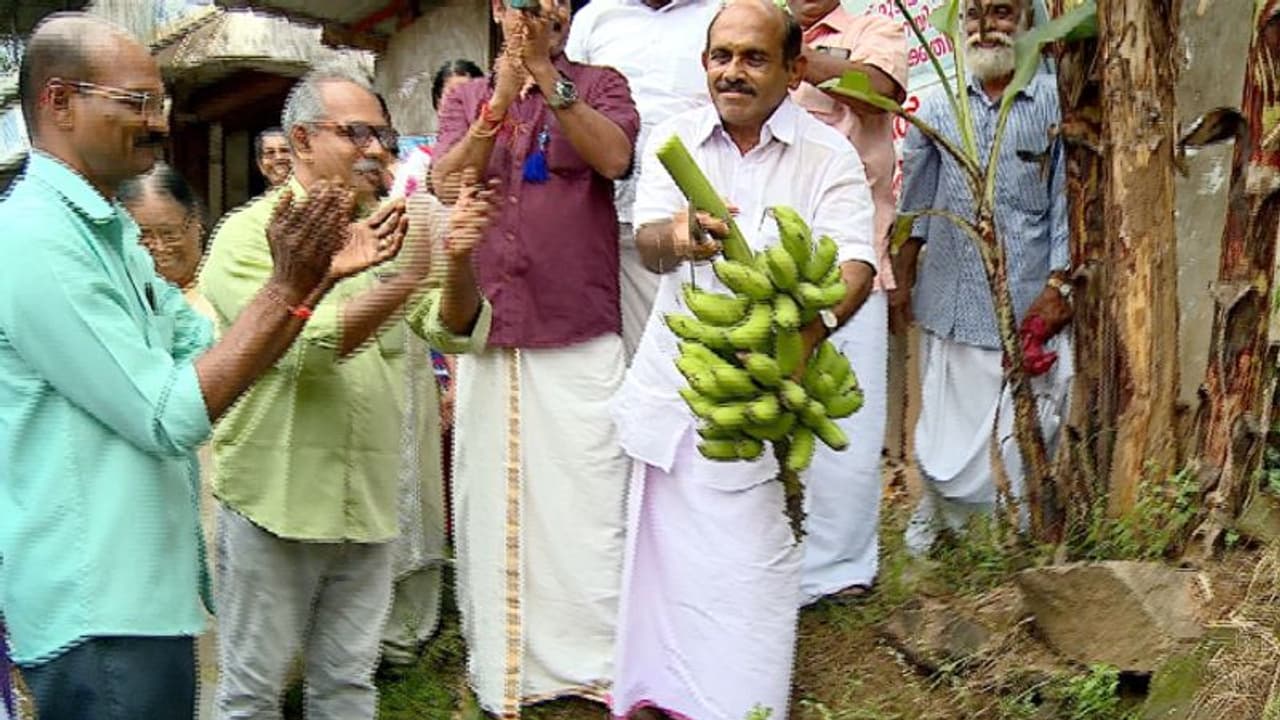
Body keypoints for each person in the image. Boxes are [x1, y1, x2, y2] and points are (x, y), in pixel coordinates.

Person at [0, 14, 399, 720]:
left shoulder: (110, 232)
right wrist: (288, 287)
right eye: (138, 103)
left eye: (162, 104)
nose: (159, 124)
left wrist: (306, 287)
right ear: (59, 102)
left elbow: (205, 345)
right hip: (97, 606)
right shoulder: (36, 238)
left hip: (144, 598)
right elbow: (170, 414)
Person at [199, 66, 494, 719]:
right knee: (251, 693)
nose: (376, 150)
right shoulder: (248, 235)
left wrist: (458, 260)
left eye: (383, 136)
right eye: (357, 133)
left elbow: (453, 329)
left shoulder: (391, 230)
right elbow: (305, 347)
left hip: (367, 502)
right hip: (275, 504)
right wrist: (408, 277)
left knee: (348, 687)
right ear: (302, 141)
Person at [610, 2, 877, 718]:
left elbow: (856, 263)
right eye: (721, 56)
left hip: (764, 400)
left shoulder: (827, 155)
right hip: (681, 381)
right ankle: (663, 695)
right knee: (669, 568)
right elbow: (647, 245)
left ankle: (741, 702)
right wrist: (679, 236)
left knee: (750, 567)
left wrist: (803, 340)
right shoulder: (674, 142)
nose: (733, 72)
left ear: (794, 69)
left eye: (754, 58)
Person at [431, 0, 640, 714]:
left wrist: (548, 76)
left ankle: (596, 668)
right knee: (493, 507)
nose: (540, 8)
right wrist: (497, 100)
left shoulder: (602, 83)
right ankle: (508, 673)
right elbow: (446, 182)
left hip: (580, 330)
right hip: (493, 331)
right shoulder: (466, 97)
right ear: (498, 10)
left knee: (591, 506)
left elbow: (614, 158)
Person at [894, 0, 1072, 554]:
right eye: (972, 15)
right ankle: (945, 530)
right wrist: (901, 276)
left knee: (1021, 433)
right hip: (950, 300)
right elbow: (914, 207)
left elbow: (1067, 202)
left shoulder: (1055, 103)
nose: (985, 27)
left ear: (1028, 21)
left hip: (1027, 304)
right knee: (943, 441)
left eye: (1001, 12)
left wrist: (1058, 284)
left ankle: (1011, 538)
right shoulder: (940, 108)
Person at [786, 0, 908, 603]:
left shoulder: (874, 30)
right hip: (771, 259)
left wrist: (793, 57)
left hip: (852, 260)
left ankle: (840, 572)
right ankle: (777, 559)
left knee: (849, 426)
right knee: (773, 415)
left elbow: (878, 90)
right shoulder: (750, 28)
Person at [565, 0, 720, 360]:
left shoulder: (719, 12)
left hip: (693, 225)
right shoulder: (594, 17)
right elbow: (567, 104)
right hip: (608, 222)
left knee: (691, 358)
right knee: (612, 359)